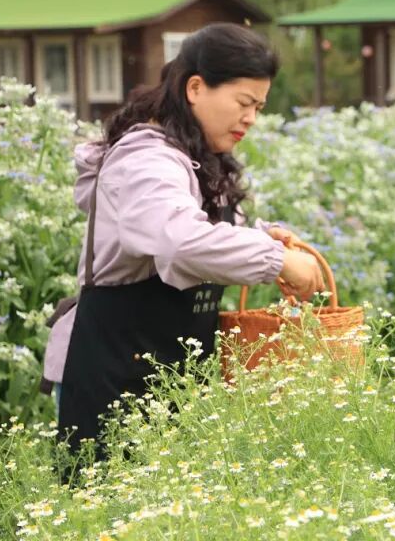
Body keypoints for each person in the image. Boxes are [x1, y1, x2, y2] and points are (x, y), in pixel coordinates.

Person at [44, 23, 325, 456]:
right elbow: (179, 241)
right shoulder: (145, 157)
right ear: (195, 88)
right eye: (243, 103)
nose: (251, 118)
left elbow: (201, 235)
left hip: (171, 378)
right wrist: (275, 260)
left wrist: (263, 239)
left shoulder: (198, 157)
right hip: (112, 374)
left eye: (259, 107)